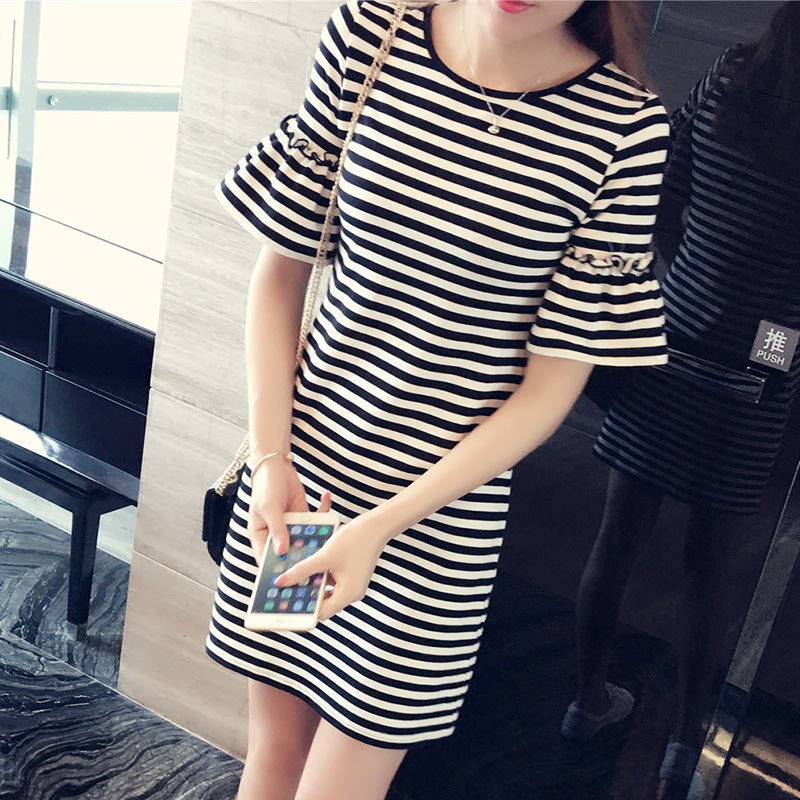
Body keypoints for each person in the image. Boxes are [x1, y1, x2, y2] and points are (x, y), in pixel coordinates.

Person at [207, 1, 670, 798]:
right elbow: (281, 273)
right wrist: (272, 460)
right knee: (274, 753)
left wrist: (380, 527)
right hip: (305, 486)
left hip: (436, 530)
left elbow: (548, 391)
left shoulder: (624, 130)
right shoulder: (370, 34)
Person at [561, 3, 800, 798]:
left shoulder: (730, 76)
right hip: (758, 367)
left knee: (616, 539)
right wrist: (775, 339)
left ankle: (586, 704)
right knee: (710, 574)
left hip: (667, 338)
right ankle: (683, 749)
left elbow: (662, 190)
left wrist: (689, 278)